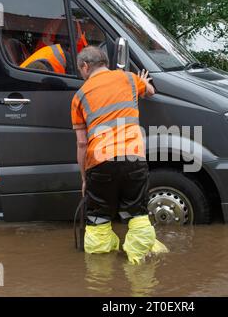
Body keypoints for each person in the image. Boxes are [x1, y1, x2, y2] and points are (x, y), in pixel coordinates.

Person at [71, 46, 168, 265]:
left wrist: (85, 178)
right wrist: (144, 81)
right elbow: (151, 92)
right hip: (133, 158)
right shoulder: (129, 79)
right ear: (104, 62)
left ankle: (100, 279)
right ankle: (141, 275)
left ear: (85, 66)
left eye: (80, 70)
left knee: (98, 221)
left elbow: (81, 142)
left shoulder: (79, 96)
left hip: (99, 162)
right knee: (138, 215)